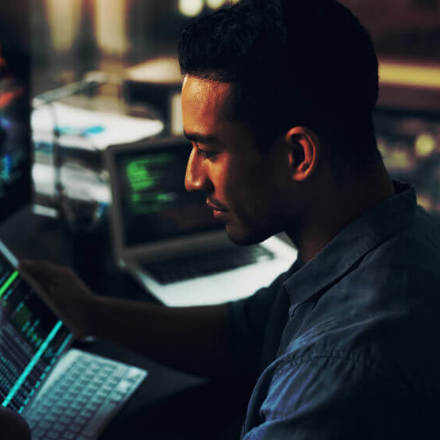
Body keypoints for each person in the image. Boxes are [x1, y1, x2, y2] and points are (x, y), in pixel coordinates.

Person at [20, 0, 440, 438]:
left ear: (298, 155)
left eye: (208, 151)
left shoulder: (337, 371)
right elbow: (244, 334)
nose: (191, 179)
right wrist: (91, 312)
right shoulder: (393, 233)